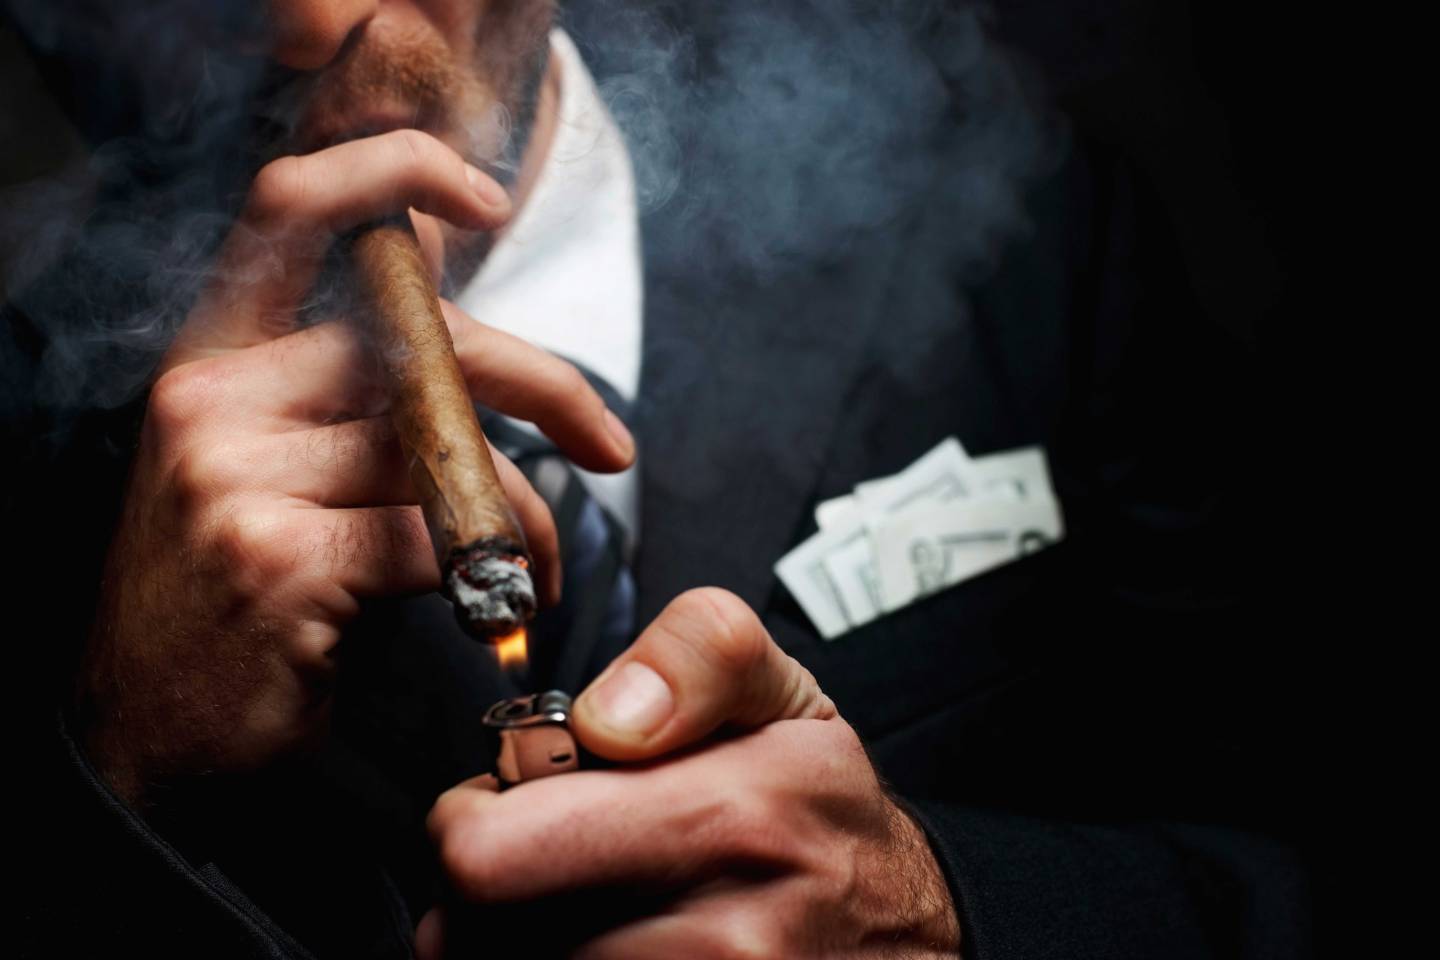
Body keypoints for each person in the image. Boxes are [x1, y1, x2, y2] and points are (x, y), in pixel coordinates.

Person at [2, 0, 1311, 957]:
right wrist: (129, 770)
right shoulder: (30, 427)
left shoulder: (1000, 200)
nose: (308, 25)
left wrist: (938, 910)